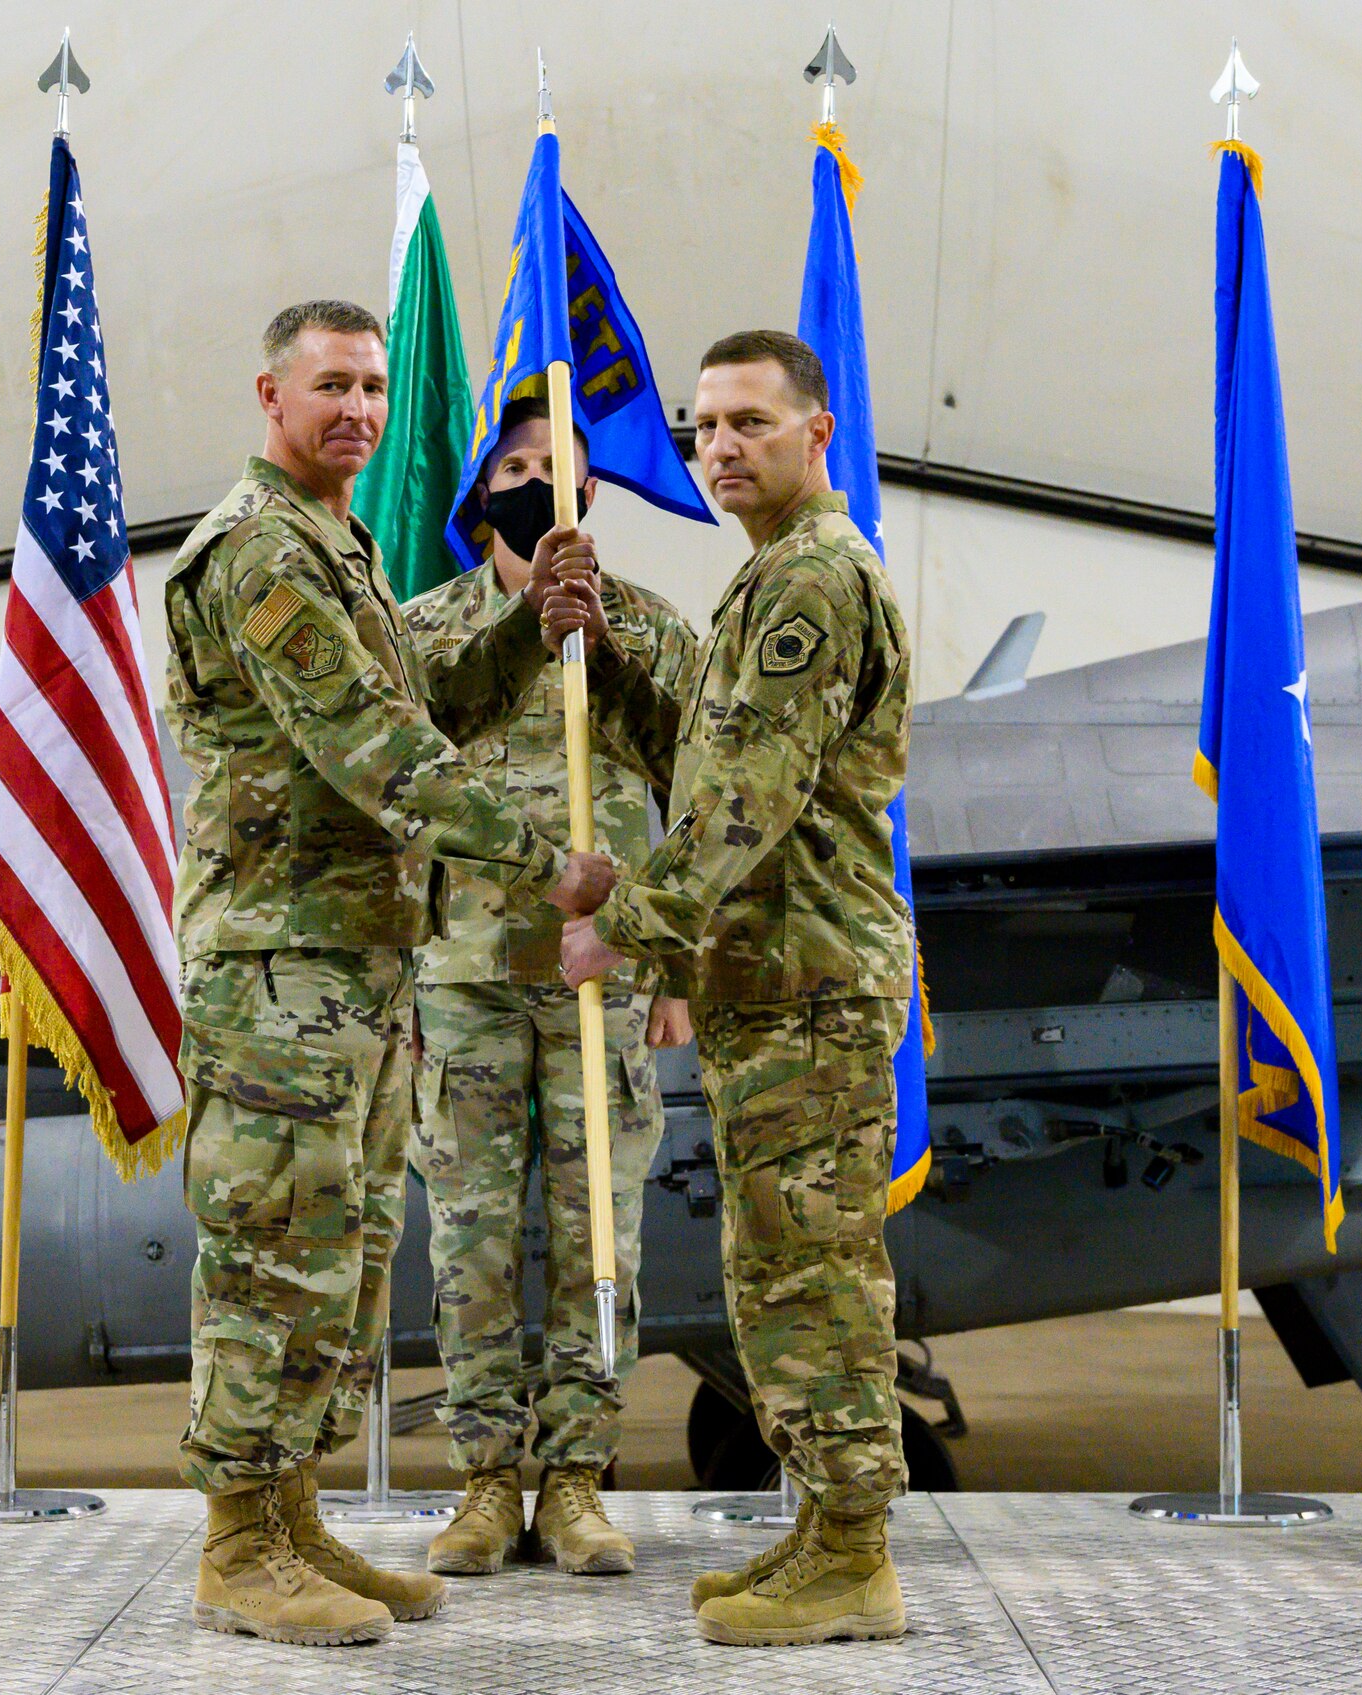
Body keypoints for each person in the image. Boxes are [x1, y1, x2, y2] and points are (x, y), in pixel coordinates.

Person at [162, 299, 615, 1648]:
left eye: (372, 386)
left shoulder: (336, 542)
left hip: (356, 962)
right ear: (270, 394)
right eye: (333, 387)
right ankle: (237, 1542)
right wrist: (547, 860)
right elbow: (373, 749)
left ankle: (294, 1516)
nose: (359, 409)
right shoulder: (257, 551)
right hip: (278, 963)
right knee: (269, 1257)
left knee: (343, 1256)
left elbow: (416, 699)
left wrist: (526, 621)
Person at [559, 329, 916, 1647]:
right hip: (777, 983)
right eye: (704, 425)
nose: (719, 447)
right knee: (780, 1270)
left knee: (814, 1276)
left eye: (750, 422)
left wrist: (628, 933)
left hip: (812, 981)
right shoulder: (767, 582)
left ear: (819, 433)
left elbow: (746, 808)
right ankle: (825, 1530)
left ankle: (856, 1555)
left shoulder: (812, 583)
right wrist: (616, 659)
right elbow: (721, 761)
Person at [401, 396, 698, 1580]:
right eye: (515, 465)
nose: (537, 481)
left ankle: (575, 1479)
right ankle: (483, 1481)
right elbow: (389, 795)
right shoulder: (419, 630)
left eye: (557, 465)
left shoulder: (653, 628)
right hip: (462, 975)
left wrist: (666, 963)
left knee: (596, 1234)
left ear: (593, 490)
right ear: (480, 494)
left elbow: (695, 788)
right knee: (470, 1237)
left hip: (601, 978)